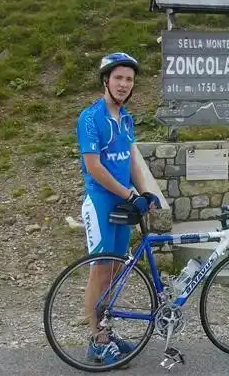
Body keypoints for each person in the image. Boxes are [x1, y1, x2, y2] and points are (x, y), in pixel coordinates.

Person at [75, 52, 162, 364]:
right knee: (99, 270)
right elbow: (94, 167)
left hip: (124, 202)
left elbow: (132, 160)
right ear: (106, 81)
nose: (124, 84)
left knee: (115, 269)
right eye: (119, 78)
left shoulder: (126, 119)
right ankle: (96, 338)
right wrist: (129, 193)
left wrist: (146, 192)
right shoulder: (89, 118)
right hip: (100, 201)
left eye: (129, 79)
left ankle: (106, 331)